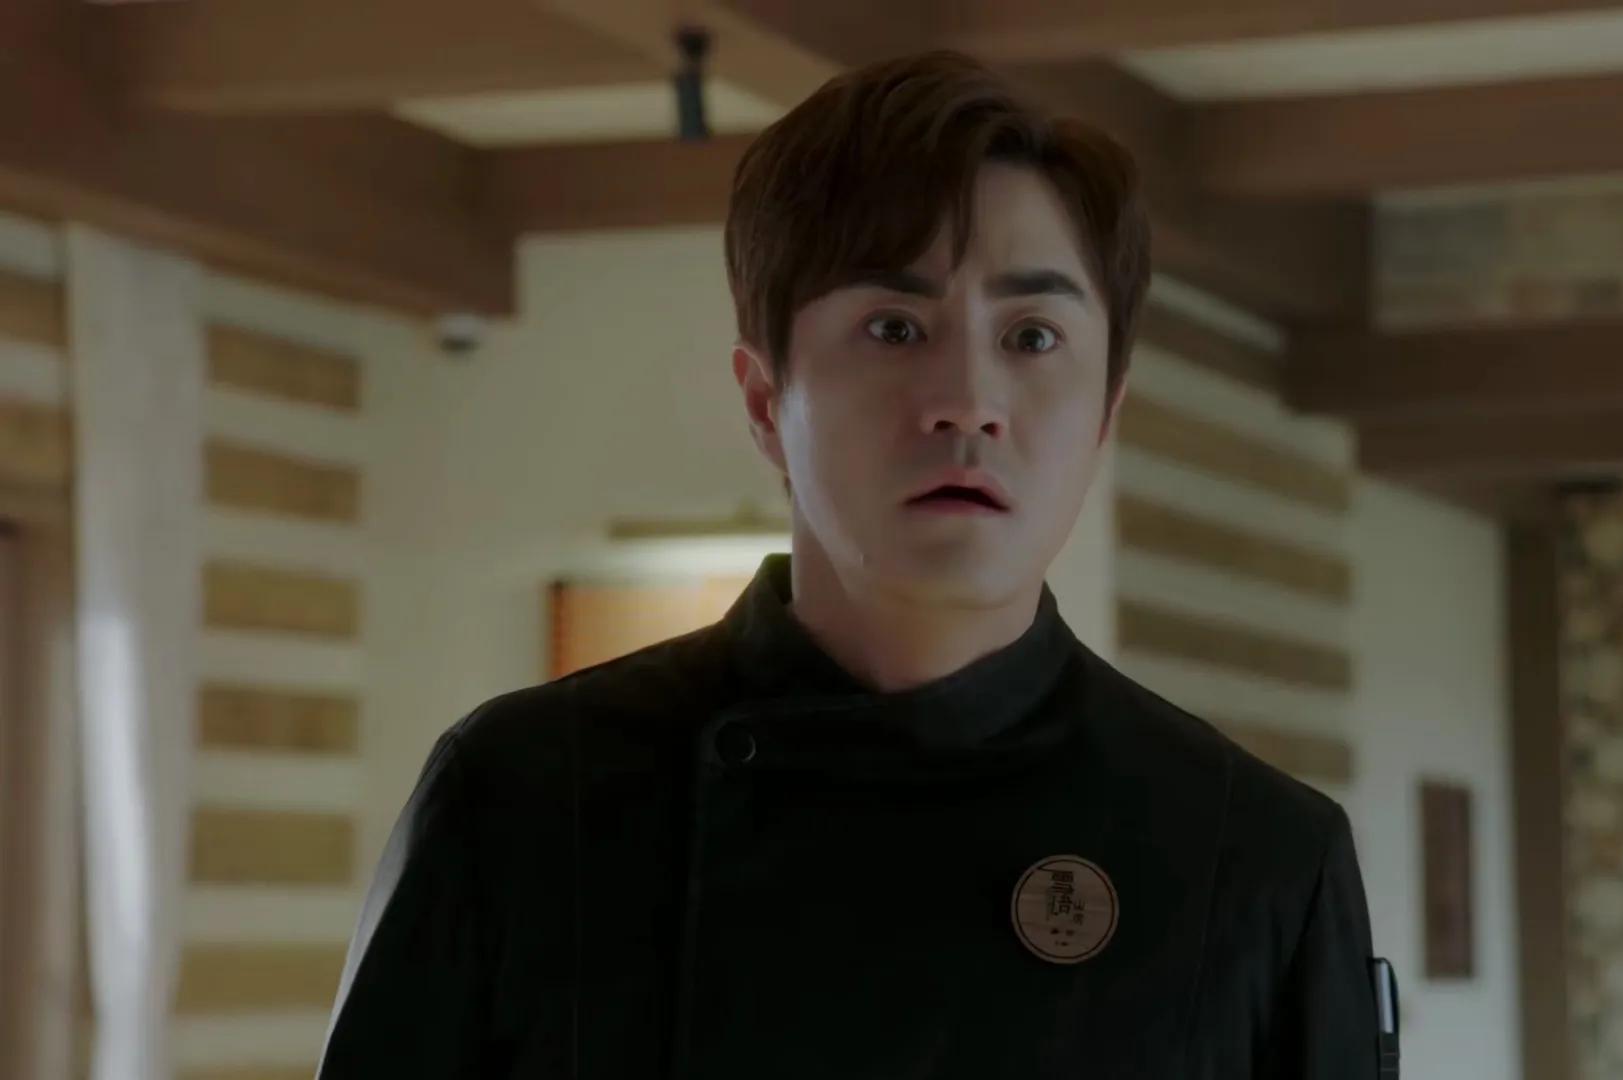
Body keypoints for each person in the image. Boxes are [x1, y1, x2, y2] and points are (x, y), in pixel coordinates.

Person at [317, 50, 1382, 1079]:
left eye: (1032, 337)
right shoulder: (525, 799)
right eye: (894, 327)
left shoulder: (1254, 858)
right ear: (764, 402)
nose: (968, 401)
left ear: (1106, 412)